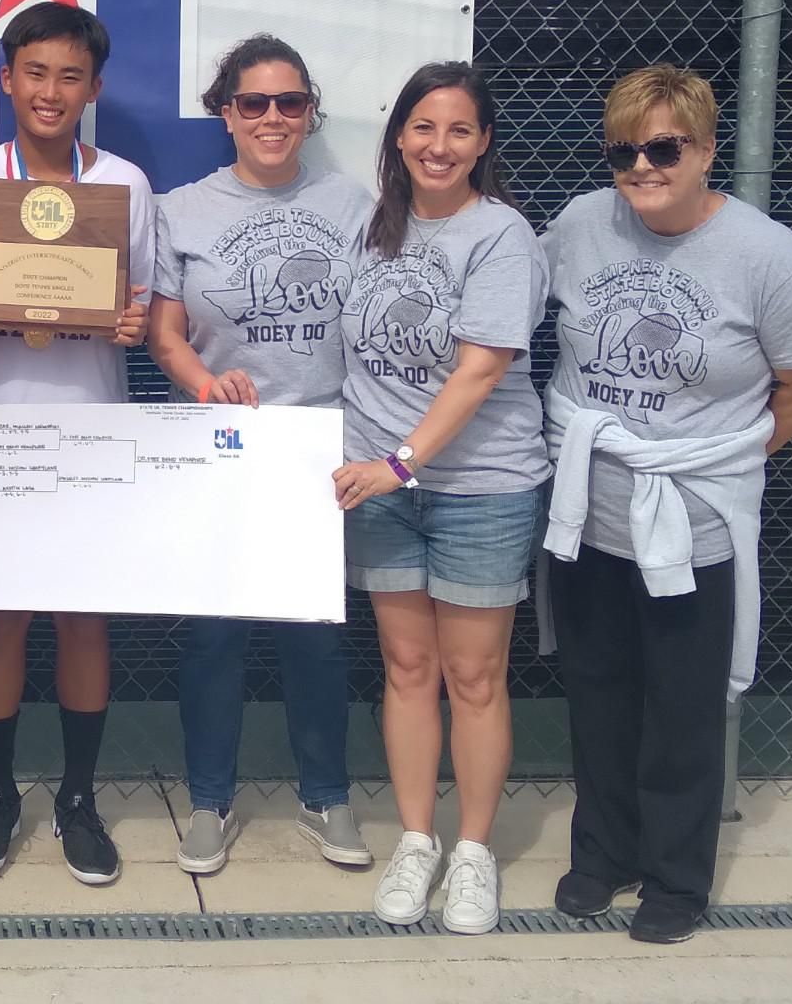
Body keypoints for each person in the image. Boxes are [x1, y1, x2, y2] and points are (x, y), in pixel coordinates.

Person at [540, 65, 792, 944]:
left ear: (708, 151)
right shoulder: (582, 225)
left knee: (681, 705)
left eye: (664, 149)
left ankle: (676, 876)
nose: (642, 166)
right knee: (598, 691)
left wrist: (721, 459)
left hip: (693, 521)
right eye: (624, 151)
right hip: (590, 511)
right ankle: (605, 851)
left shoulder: (771, 259)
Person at [145, 34, 374, 877]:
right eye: (254, 103)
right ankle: (209, 800)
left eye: (290, 102)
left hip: (320, 448)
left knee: (315, 637)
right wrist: (205, 383)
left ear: (310, 112)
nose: (273, 118)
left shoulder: (355, 206)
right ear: (226, 113)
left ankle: (326, 795)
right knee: (214, 635)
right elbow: (165, 335)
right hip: (221, 449)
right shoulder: (181, 209)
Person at [0, 1, 154, 885]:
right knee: (1, 615)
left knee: (83, 616)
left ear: (94, 88)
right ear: (7, 79)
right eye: (35, 73)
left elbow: (139, 307)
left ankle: (78, 798)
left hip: (94, 425)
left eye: (70, 76)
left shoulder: (127, 184)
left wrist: (132, 323)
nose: (51, 91)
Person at [333, 60, 550, 935]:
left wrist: (401, 462)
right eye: (423, 127)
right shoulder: (369, 229)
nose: (439, 145)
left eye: (460, 130)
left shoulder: (502, 235)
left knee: (474, 676)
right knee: (408, 669)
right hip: (380, 484)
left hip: (479, 487)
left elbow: (480, 371)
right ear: (398, 137)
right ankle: (418, 839)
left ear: (484, 142)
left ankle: (473, 853)